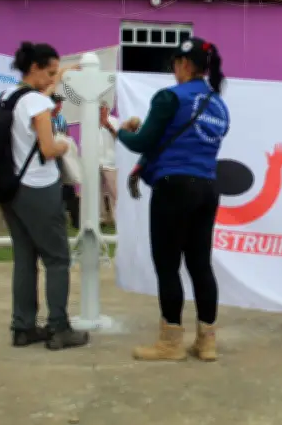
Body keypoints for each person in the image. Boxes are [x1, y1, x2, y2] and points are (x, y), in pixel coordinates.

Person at [108, 37, 229, 362]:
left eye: (175, 63)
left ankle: (170, 342)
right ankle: (207, 341)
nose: (173, 70)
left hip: (173, 187)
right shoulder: (218, 105)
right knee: (200, 266)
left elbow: (142, 142)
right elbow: (183, 139)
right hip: (207, 187)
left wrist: (119, 130)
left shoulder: (169, 97)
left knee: (168, 266)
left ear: (185, 65)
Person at [0, 42, 89, 351]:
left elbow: (41, 94)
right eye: (50, 72)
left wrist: (61, 74)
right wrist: (65, 145)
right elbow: (49, 149)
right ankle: (59, 328)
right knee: (57, 259)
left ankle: (22, 327)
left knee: (25, 259)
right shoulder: (37, 103)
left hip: (11, 189)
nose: (53, 79)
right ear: (35, 68)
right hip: (39, 189)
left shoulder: (9, 96)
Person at [51, 94, 80, 230]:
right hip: (52, 157)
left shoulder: (62, 119)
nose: (60, 106)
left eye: (60, 103)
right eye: (57, 103)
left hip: (64, 156)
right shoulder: (45, 118)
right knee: (57, 188)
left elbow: (67, 135)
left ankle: (76, 220)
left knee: (68, 188)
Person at [98, 102, 119, 226]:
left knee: (114, 192)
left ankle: (116, 218)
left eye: (102, 108)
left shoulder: (115, 121)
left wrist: (108, 126)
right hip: (95, 162)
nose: (100, 111)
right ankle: (101, 218)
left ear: (107, 109)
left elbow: (120, 138)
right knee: (95, 192)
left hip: (111, 162)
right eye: (98, 109)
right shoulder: (90, 122)